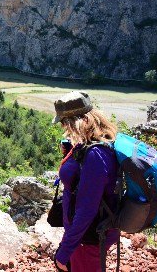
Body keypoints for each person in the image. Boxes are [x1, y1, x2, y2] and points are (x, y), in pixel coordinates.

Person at [52, 91, 119, 272]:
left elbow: (86, 208)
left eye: (64, 123)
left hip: (88, 237)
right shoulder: (91, 144)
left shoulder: (95, 154)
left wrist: (65, 250)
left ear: (75, 121)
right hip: (86, 235)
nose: (63, 127)